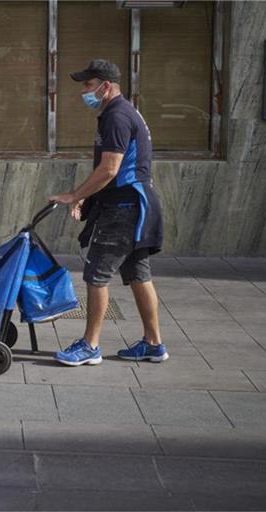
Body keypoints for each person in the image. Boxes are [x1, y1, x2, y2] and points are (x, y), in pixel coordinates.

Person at [48, 59, 168, 366]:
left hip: (123, 208)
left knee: (97, 275)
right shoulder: (123, 112)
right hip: (134, 204)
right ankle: (154, 344)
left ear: (106, 85)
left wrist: (75, 195)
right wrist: (85, 200)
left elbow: (110, 168)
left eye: (88, 85)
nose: (84, 92)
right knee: (139, 275)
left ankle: (90, 345)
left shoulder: (116, 115)